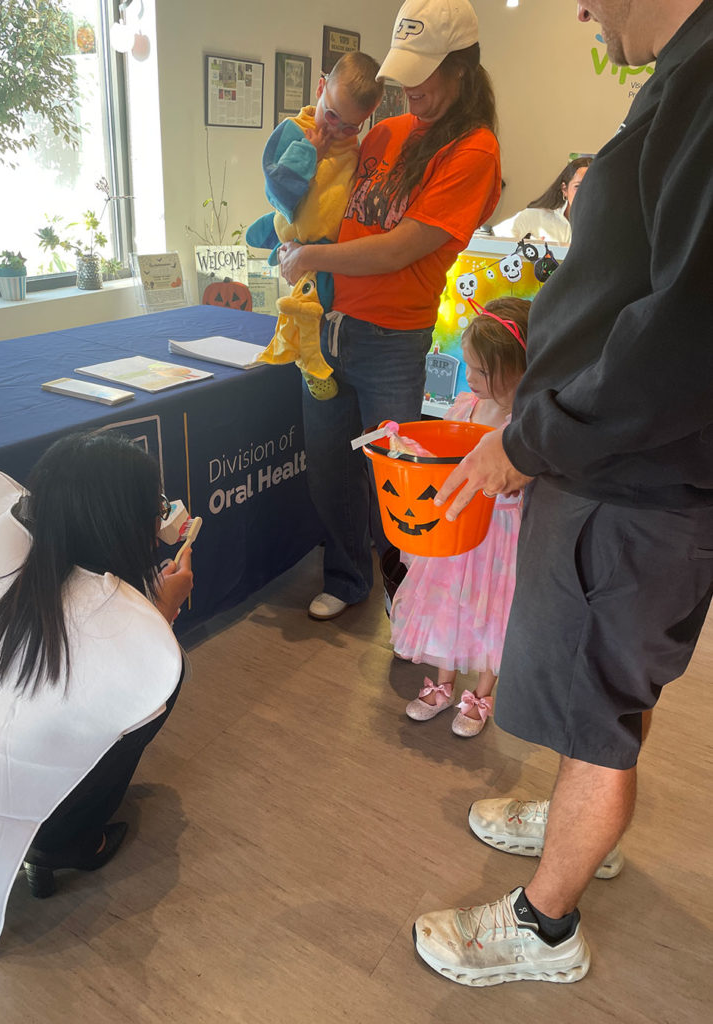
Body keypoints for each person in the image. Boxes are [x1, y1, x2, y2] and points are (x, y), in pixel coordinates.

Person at [412, 0, 713, 987]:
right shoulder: (680, 75)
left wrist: (533, 438)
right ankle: (580, 824)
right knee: (605, 689)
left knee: (600, 705)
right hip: (626, 470)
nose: (579, 7)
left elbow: (681, 340)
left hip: (636, 480)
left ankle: (546, 923)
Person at [0, 432, 193, 970]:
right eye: (154, 509)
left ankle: (47, 836)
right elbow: (144, 670)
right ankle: (64, 840)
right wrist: (162, 613)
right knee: (163, 689)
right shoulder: (116, 628)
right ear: (116, 523)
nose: (161, 519)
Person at [278, 0, 502, 621]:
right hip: (328, 330)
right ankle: (349, 579)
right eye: (404, 75)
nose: (411, 90)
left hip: (392, 342)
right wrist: (315, 149)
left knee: (398, 481)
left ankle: (413, 599)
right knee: (330, 471)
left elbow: (401, 249)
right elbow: (332, 197)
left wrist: (314, 260)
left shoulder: (474, 151)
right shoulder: (388, 132)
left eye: (425, 75)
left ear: (461, 69)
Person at [391, 298, 530, 738]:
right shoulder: (464, 405)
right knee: (449, 606)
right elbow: (443, 460)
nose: (468, 377)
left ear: (516, 368)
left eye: (480, 370)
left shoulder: (525, 421)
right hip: (457, 533)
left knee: (493, 613)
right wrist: (409, 448)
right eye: (467, 366)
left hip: (502, 536)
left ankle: (483, 694)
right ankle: (444, 684)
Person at [245, 52, 384, 400]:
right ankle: (309, 362)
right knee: (310, 306)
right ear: (321, 87)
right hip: (303, 236)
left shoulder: (354, 146)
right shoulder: (296, 132)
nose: (335, 129)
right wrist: (311, 155)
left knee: (325, 304)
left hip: (331, 246)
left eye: (350, 126)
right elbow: (276, 190)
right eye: (332, 114)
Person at [491, 157, 593, 245]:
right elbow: (497, 237)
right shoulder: (537, 216)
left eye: (593, 187)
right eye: (578, 186)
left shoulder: (605, 225)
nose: (585, 192)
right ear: (564, 189)